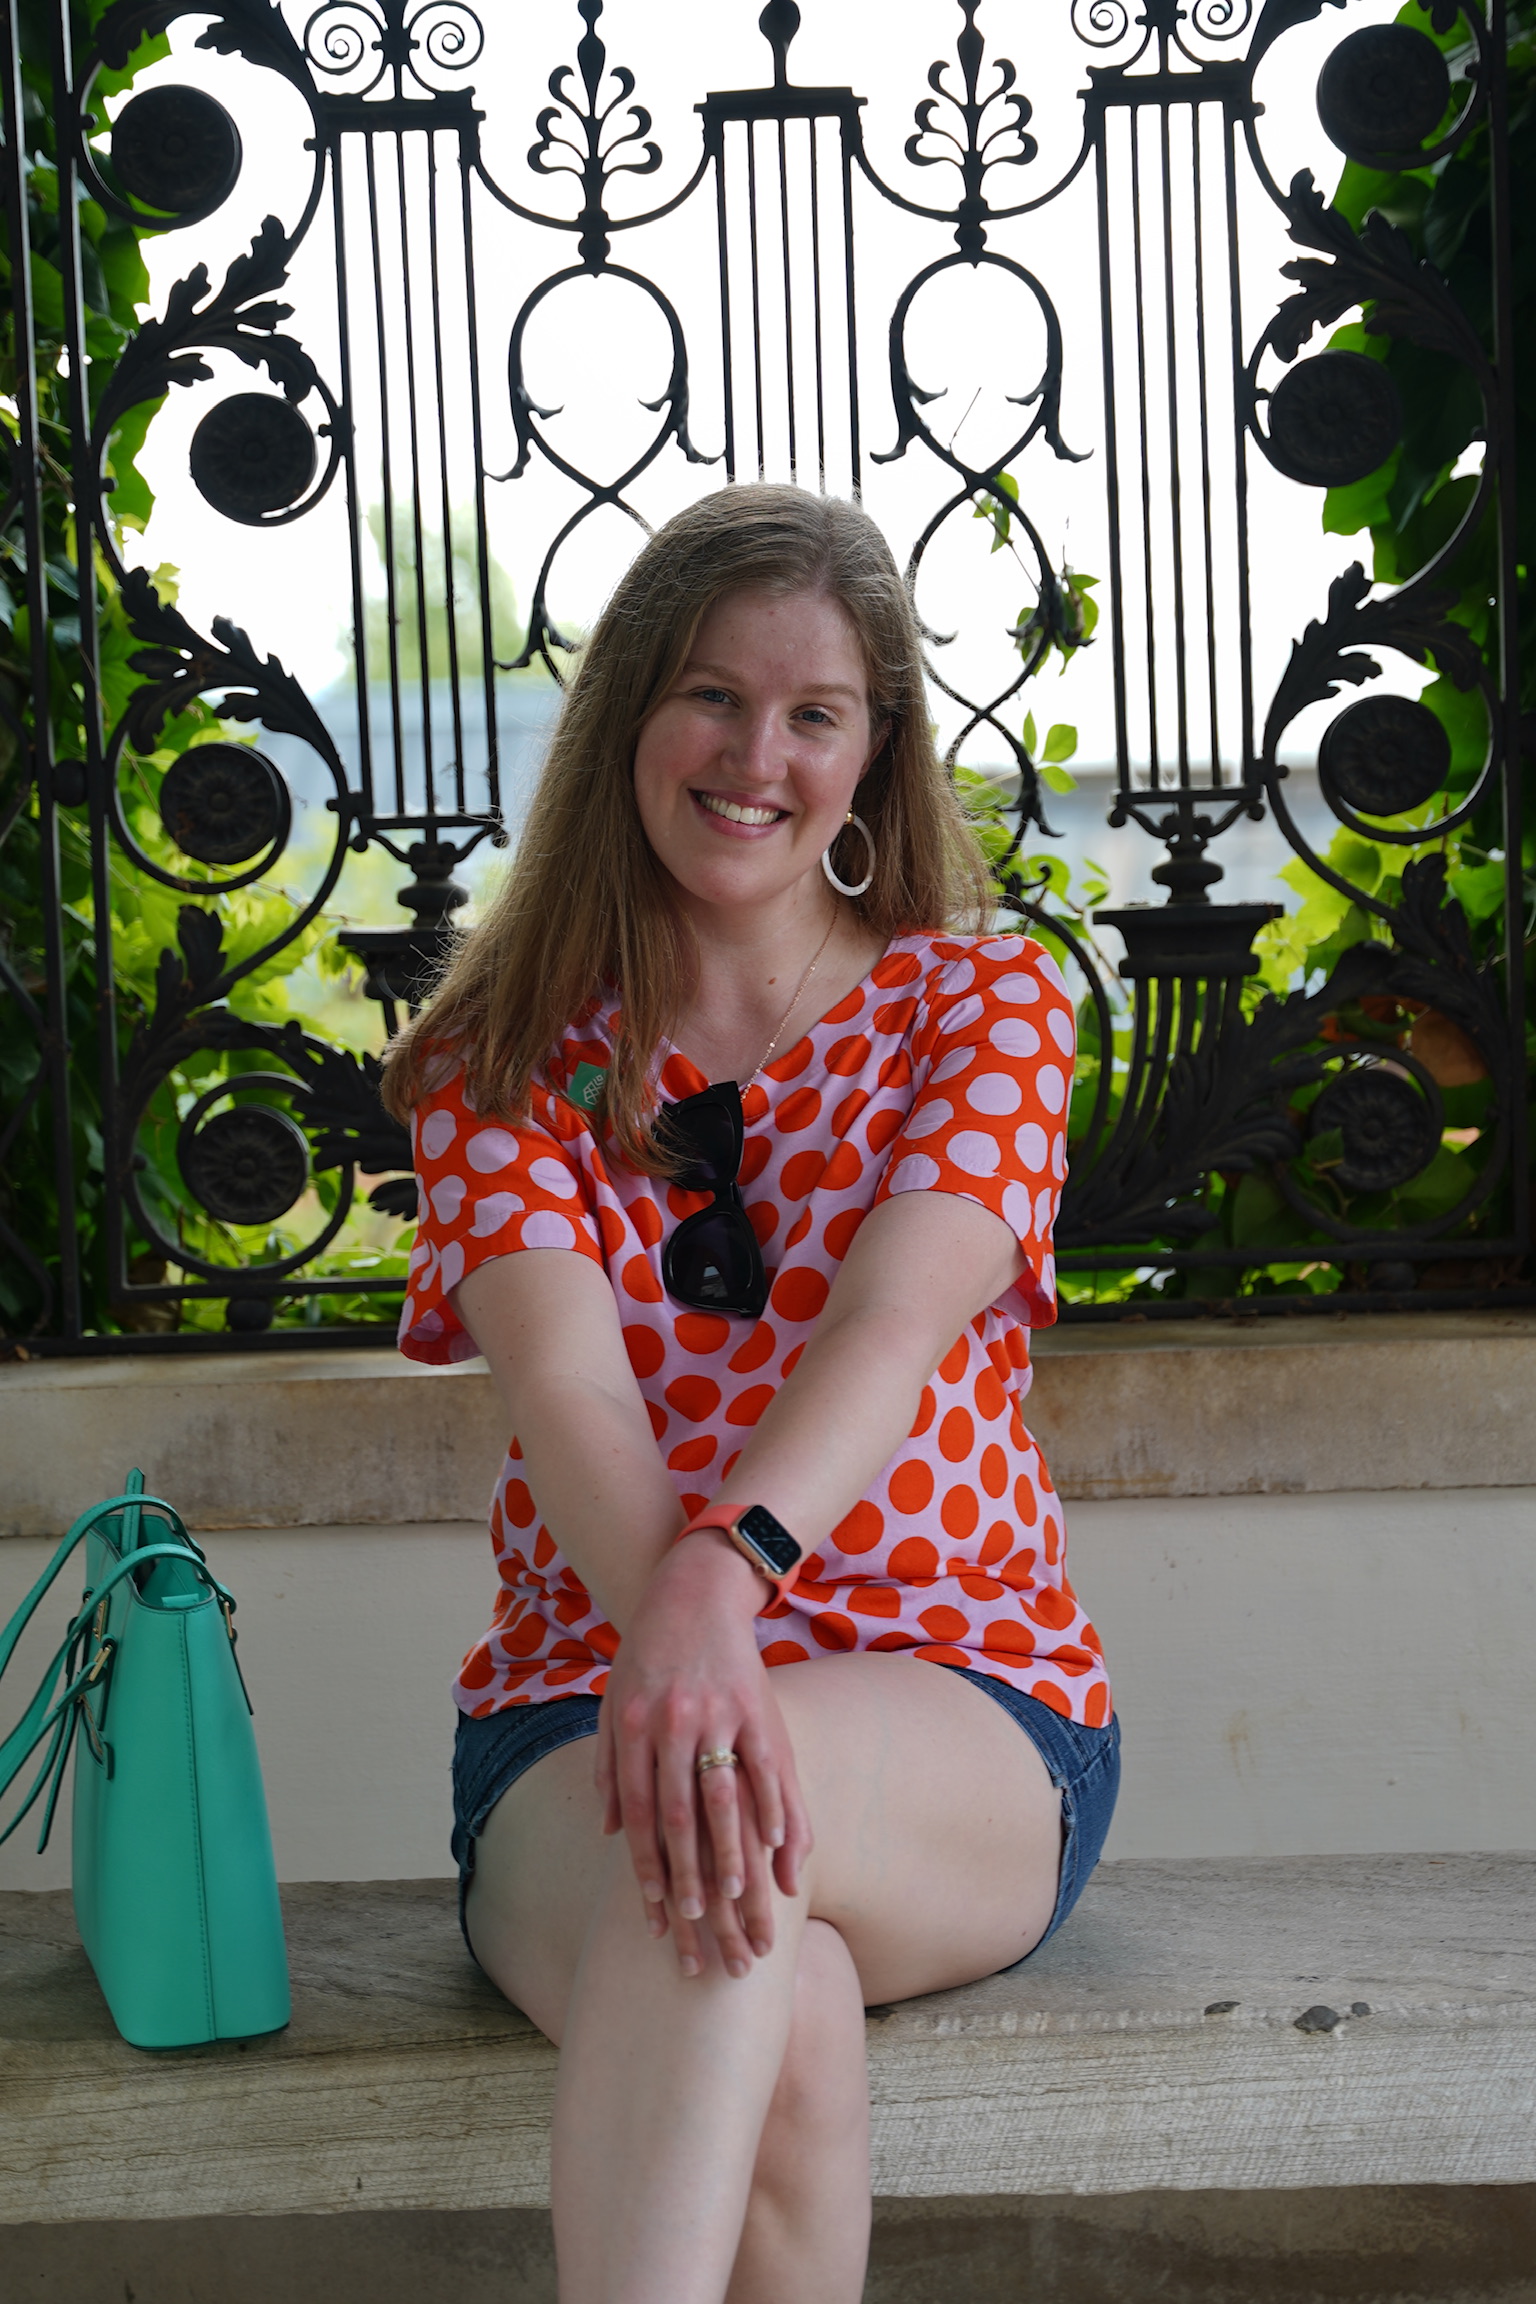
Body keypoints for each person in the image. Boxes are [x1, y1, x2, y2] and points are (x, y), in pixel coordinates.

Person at [385, 483, 1118, 2304]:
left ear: (874, 755)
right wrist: (689, 1641)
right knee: (748, 1957)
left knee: (731, 1794)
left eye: (814, 713)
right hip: (586, 1709)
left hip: (959, 1705)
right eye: (711, 695)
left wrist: (730, 1586)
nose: (755, 754)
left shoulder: (990, 1004)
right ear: (632, 715)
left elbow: (894, 1319)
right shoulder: (494, 1060)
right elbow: (566, 1391)